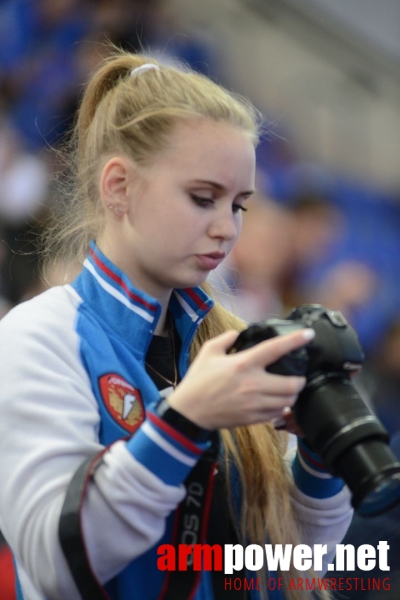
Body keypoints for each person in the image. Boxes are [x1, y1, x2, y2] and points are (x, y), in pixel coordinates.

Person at [0, 49, 353, 600]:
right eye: (202, 198)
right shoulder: (39, 335)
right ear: (118, 186)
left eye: (239, 205)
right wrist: (186, 420)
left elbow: (290, 567)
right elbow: (57, 566)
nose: (226, 230)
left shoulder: (231, 342)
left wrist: (320, 457)